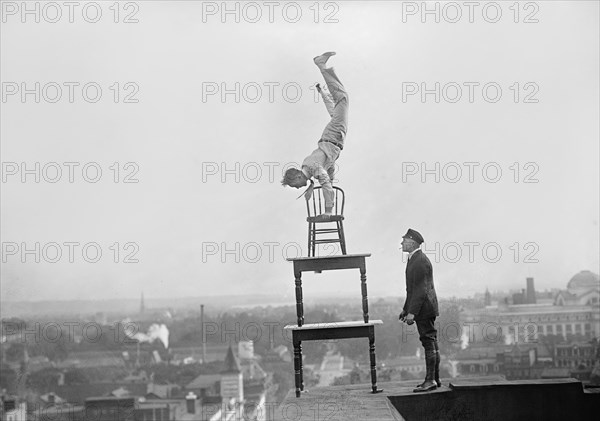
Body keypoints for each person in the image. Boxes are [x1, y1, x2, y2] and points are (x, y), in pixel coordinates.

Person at [281, 52, 349, 219]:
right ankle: (323, 76)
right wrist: (322, 94)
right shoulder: (314, 168)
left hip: (333, 137)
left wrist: (328, 210)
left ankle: (321, 66)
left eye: (295, 185)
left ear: (298, 176)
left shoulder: (312, 166)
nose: (297, 188)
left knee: (343, 99)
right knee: (335, 110)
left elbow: (325, 181)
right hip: (334, 139)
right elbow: (329, 174)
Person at [399, 229, 441, 392]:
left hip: (424, 309)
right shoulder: (414, 259)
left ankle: (430, 380)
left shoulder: (420, 261)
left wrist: (412, 313)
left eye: (404, 241)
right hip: (424, 307)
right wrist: (405, 309)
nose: (402, 243)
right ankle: (435, 379)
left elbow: (421, 290)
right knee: (431, 342)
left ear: (412, 243)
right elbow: (412, 289)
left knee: (428, 342)